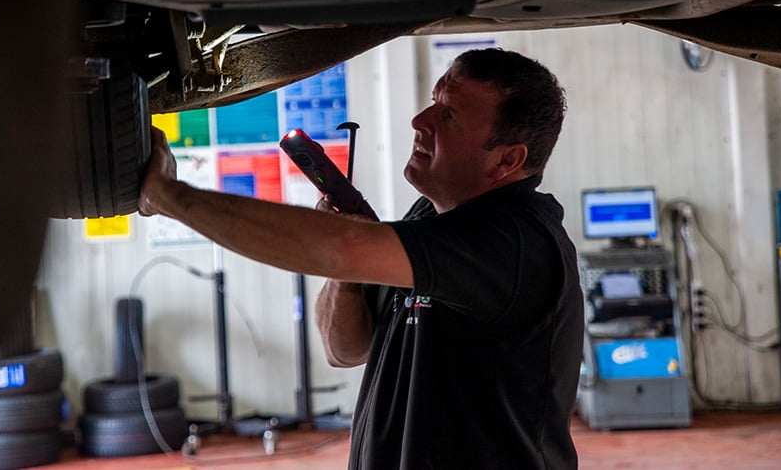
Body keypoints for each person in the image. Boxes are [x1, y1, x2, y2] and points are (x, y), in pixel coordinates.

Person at [138, 48, 583, 469]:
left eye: (449, 115)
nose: (420, 120)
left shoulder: (513, 241)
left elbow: (339, 248)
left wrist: (170, 196)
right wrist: (348, 275)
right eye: (433, 102)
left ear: (507, 160)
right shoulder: (430, 217)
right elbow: (345, 349)